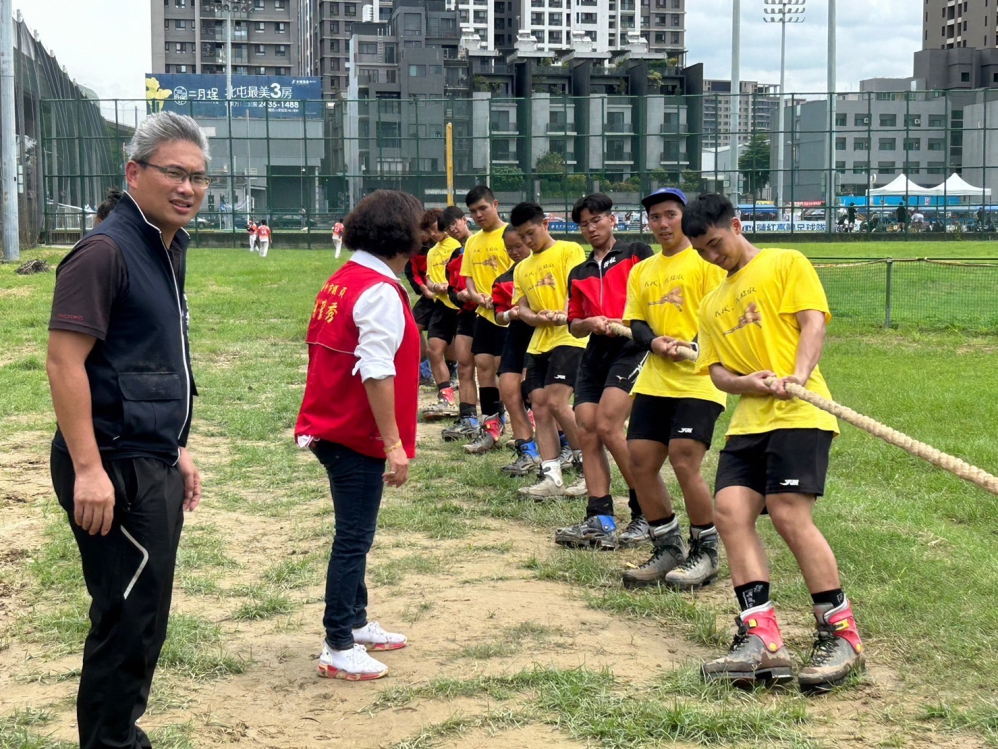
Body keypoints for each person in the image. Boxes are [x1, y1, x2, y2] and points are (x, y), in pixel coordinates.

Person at [46, 111, 207, 749]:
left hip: (150, 457)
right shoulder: (106, 251)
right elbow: (65, 363)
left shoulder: (166, 247)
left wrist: (176, 447)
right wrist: (88, 469)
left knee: (144, 614)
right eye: (174, 173)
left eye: (199, 177)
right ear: (134, 172)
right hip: (111, 465)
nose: (188, 188)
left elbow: (150, 359)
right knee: (126, 620)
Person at [683, 193, 863, 693]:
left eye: (715, 244)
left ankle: (841, 634)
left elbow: (812, 322)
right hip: (748, 423)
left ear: (736, 226)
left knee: (787, 513)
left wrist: (797, 376)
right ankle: (761, 638)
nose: (712, 256)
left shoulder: (786, 263)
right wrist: (747, 383)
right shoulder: (711, 302)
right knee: (729, 513)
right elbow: (717, 371)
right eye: (702, 251)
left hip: (801, 413)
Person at [294, 189, 423, 681]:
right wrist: (393, 444)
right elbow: (376, 370)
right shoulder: (379, 290)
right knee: (353, 538)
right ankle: (338, 644)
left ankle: (356, 621)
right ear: (404, 237)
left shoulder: (345, 279)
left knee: (356, 534)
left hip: (332, 424)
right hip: (353, 433)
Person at [619, 188, 728, 589]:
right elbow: (636, 322)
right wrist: (655, 343)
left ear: (685, 217)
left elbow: (720, 313)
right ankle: (667, 546)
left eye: (670, 215)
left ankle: (706, 551)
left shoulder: (705, 262)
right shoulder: (643, 270)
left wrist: (692, 346)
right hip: (656, 379)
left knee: (684, 459)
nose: (663, 224)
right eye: (655, 217)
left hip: (700, 379)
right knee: (640, 461)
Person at [553, 193, 653, 551]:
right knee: (587, 427)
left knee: (609, 424)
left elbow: (652, 296)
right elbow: (574, 324)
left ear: (613, 220)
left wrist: (627, 323)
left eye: (596, 220)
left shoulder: (636, 253)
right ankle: (600, 518)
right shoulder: (578, 272)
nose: (591, 228)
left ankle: (647, 512)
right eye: (584, 224)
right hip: (595, 353)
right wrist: (590, 322)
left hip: (631, 347)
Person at [511, 202, 587, 499]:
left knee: (557, 401)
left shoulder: (570, 250)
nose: (527, 241)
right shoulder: (522, 268)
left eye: (531, 233)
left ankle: (588, 468)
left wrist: (563, 313)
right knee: (540, 405)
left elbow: (576, 289)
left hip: (569, 337)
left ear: (545, 224)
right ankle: (552, 477)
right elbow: (522, 308)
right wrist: (536, 317)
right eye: (522, 237)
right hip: (539, 342)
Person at [460, 186, 513, 455]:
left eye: (483, 208)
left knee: (507, 371)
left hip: (509, 316)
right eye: (473, 212)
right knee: (483, 366)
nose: (478, 215)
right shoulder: (472, 242)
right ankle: (491, 426)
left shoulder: (511, 235)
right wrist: (475, 295)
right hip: (483, 314)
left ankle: (525, 425)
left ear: (495, 204)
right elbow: (468, 277)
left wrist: (504, 298)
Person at [492, 226, 541, 476]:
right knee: (509, 390)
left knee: (538, 395)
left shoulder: (543, 271)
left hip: (543, 335)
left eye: (518, 246)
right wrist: (509, 314)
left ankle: (565, 446)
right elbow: (498, 316)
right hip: (516, 336)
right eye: (509, 248)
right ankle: (527, 450)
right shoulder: (502, 280)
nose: (514, 252)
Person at [438, 206, 480, 442]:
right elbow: (451, 291)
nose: (452, 230)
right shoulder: (455, 256)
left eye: (454, 223)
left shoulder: (482, 246)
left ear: (464, 220)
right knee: (464, 365)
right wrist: (459, 297)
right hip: (465, 315)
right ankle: (468, 418)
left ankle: (498, 418)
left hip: (488, 314)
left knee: (492, 370)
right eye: (447, 228)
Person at [422, 209, 463, 420]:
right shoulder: (432, 252)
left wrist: (452, 285)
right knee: (434, 350)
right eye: (428, 231)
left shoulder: (456, 245)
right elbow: (428, 279)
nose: (432, 234)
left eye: (434, 228)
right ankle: (446, 397)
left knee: (471, 357)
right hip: (441, 306)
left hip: (461, 305)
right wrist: (434, 286)